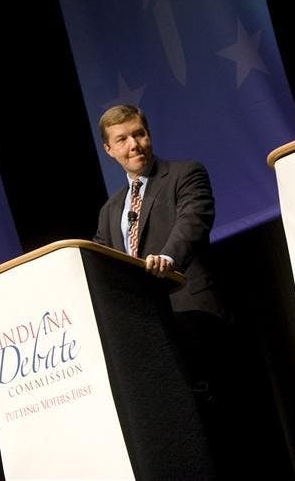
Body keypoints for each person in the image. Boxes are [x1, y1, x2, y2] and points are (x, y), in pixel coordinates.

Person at [92, 104, 234, 470]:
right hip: (147, 336)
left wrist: (167, 259)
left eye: (139, 134)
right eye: (122, 139)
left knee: (217, 428)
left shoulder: (185, 174)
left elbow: (193, 220)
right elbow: (101, 263)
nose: (134, 145)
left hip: (193, 317)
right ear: (109, 150)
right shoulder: (111, 210)